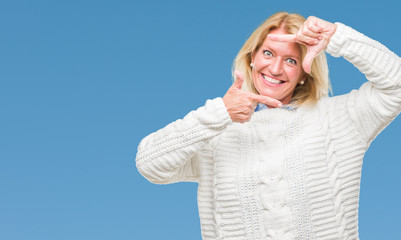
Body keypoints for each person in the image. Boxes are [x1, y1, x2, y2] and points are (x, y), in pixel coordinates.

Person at [135, 11, 401, 240]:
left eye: (291, 60)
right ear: (251, 57)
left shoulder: (341, 119)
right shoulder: (216, 130)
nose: (275, 68)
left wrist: (336, 38)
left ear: (304, 73)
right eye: (268, 53)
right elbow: (150, 164)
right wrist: (219, 114)